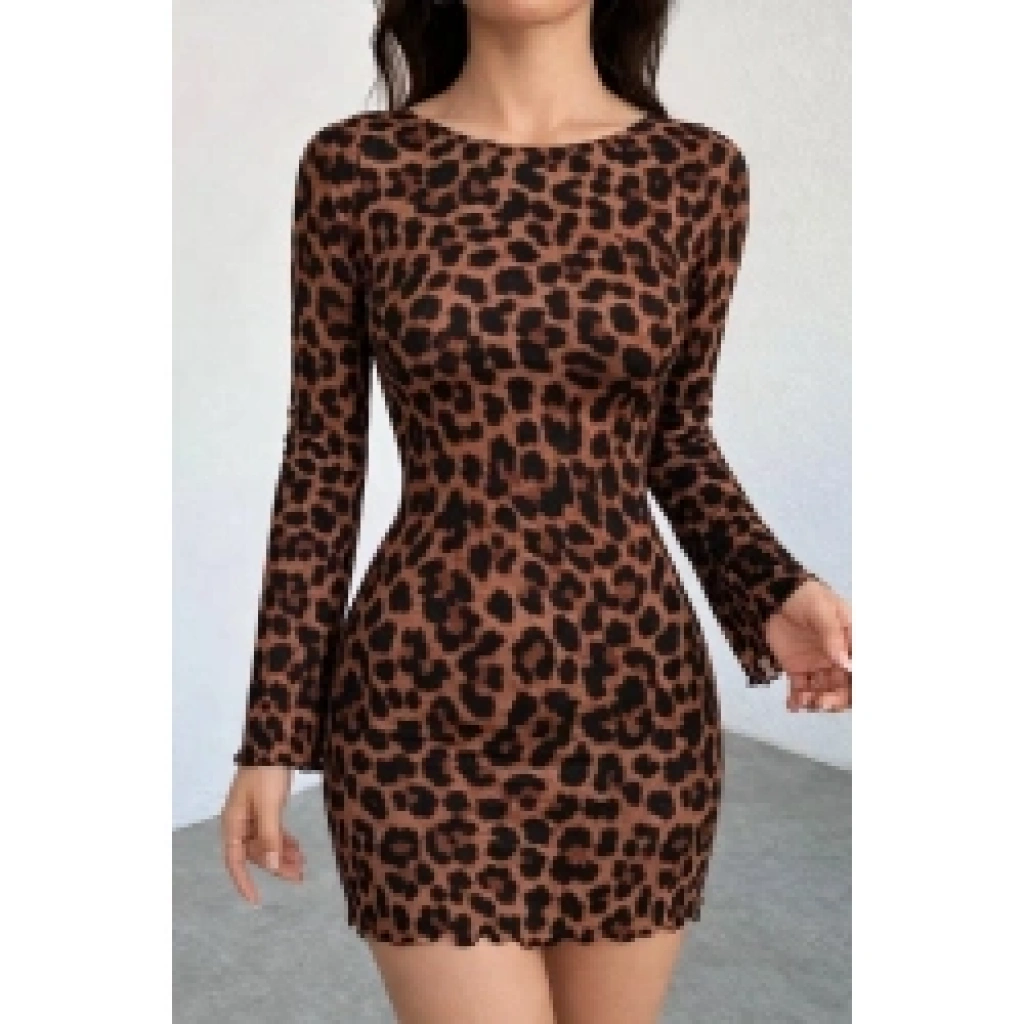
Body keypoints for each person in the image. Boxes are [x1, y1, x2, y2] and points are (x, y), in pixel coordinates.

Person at [219, 1, 852, 1021]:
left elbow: (676, 438)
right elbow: (324, 459)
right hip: (417, 716)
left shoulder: (695, 173)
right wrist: (272, 730)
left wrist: (774, 587)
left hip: (639, 713)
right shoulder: (358, 167)